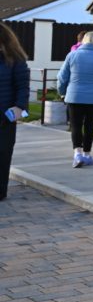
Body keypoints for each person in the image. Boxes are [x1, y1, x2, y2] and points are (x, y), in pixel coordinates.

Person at [57, 31, 93, 168]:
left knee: (76, 126)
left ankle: (77, 154)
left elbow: (62, 77)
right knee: (89, 126)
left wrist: (62, 92)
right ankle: (87, 155)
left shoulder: (73, 55)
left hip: (74, 96)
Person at [0, 23, 30, 201]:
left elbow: (22, 87)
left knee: (3, 154)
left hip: (4, 118)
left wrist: (19, 107)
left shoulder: (15, 59)